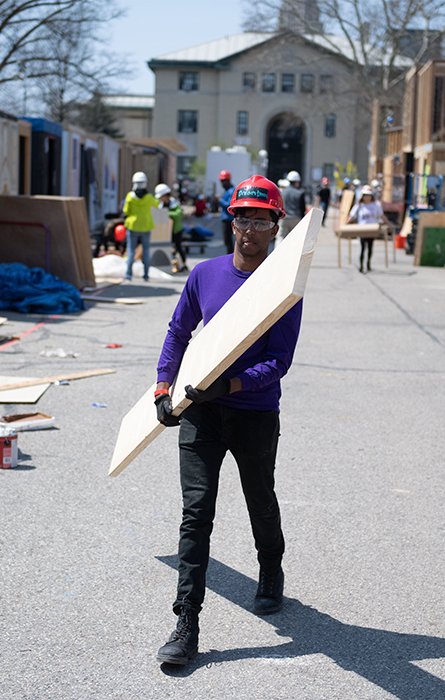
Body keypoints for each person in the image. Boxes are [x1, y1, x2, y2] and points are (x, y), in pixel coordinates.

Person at [154, 175, 303, 666]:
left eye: (261, 221)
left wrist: (232, 386)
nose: (250, 230)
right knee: (196, 513)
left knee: (260, 497)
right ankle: (186, 622)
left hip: (254, 414)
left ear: (276, 226)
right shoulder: (205, 274)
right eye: (243, 218)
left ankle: (271, 571)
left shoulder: (283, 290)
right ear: (231, 220)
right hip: (202, 411)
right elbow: (178, 332)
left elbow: (277, 362)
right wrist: (163, 387)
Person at [122, 171, 159, 282]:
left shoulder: (130, 196)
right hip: (146, 226)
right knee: (146, 251)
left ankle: (128, 275)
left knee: (131, 251)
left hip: (133, 226)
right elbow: (157, 204)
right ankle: (146, 275)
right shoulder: (149, 197)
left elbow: (126, 211)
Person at [346, 184, 392, 273]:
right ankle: (361, 265)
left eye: (369, 196)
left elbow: (382, 216)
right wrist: (345, 225)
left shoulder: (375, 206)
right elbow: (352, 216)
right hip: (362, 230)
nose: (367, 198)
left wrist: (388, 224)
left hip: (372, 230)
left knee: (370, 248)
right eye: (365, 196)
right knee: (362, 248)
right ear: (362, 197)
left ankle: (368, 264)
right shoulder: (359, 206)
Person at [156, 183, 188, 273]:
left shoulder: (174, 204)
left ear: (166, 195)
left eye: (162, 196)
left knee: (178, 247)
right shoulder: (160, 204)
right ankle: (174, 266)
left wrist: (165, 213)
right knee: (170, 249)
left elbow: (179, 214)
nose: (160, 199)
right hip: (166, 230)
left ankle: (184, 264)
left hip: (176, 230)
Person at [276, 170, 306, 246]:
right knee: (294, 239)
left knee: (281, 238)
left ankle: (277, 255)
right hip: (296, 219)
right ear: (296, 182)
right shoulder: (300, 193)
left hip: (284, 218)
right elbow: (303, 208)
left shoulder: (282, 192)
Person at [217, 169, 235, 254]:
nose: (222, 183)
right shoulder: (226, 191)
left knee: (228, 240)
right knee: (226, 240)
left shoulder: (231, 191)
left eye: (224, 181)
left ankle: (230, 256)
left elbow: (229, 204)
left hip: (229, 219)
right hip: (225, 218)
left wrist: (219, 200)